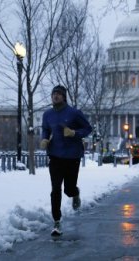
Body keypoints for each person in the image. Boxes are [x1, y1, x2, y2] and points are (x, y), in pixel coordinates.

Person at [40, 85, 92, 237]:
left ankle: (75, 194)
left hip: (72, 156)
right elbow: (45, 129)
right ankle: (57, 221)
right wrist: (44, 138)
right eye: (53, 94)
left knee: (68, 189)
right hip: (55, 156)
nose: (55, 96)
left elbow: (88, 129)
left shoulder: (74, 113)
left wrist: (74, 133)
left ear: (64, 97)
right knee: (55, 189)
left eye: (58, 94)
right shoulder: (47, 114)